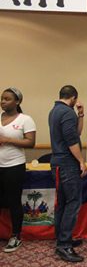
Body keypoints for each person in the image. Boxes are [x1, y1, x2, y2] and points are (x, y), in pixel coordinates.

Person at [49, 85, 87, 262]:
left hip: (57, 163)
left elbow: (76, 133)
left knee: (63, 204)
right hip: (68, 164)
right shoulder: (67, 113)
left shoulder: (55, 111)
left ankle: (62, 238)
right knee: (73, 203)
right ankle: (64, 245)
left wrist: (81, 115)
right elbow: (72, 141)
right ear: (73, 98)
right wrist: (81, 162)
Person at [0, 88, 36, 252]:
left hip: (14, 166)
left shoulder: (25, 119)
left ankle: (16, 236)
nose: (3, 101)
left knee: (13, 202)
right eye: (2, 98)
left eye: (7, 99)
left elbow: (30, 143)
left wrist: (7, 139)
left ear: (17, 102)